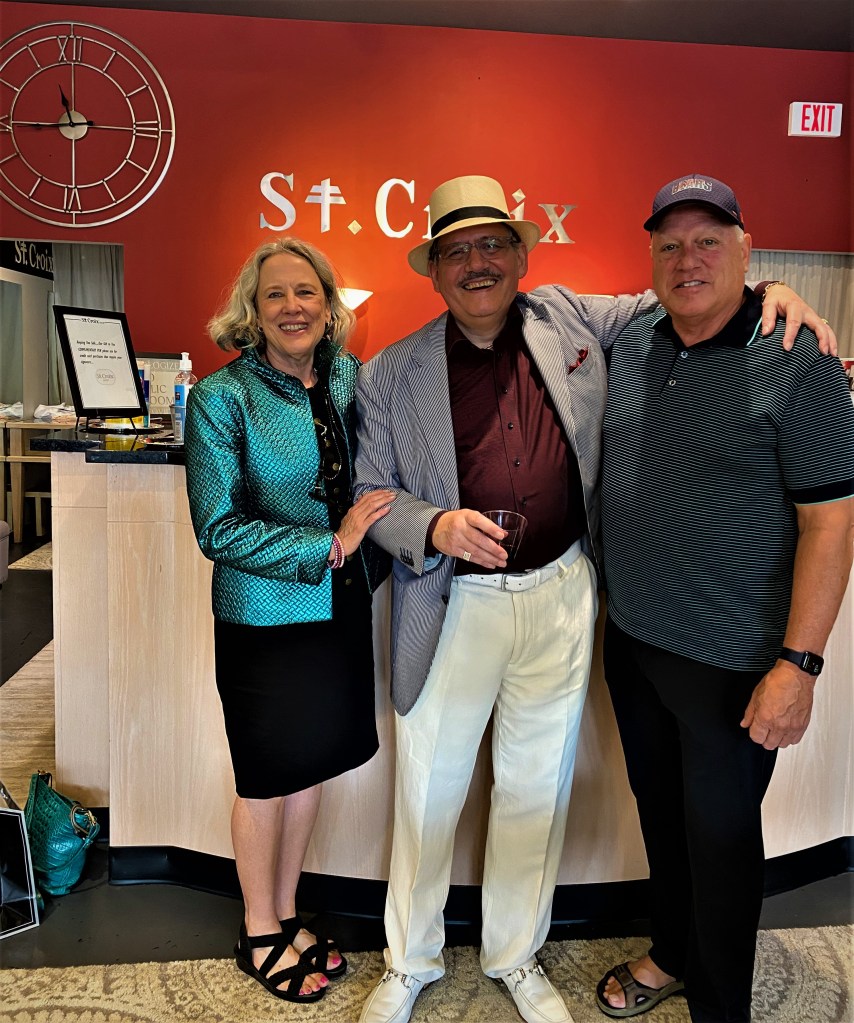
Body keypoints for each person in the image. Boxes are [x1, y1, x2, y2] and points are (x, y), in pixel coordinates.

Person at [352, 174, 833, 1023]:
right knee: (429, 788)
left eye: (493, 244)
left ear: (521, 256)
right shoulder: (391, 371)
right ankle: (409, 959)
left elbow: (691, 292)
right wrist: (432, 526)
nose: (477, 263)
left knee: (535, 786)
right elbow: (372, 494)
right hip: (453, 598)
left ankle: (515, 953)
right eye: (457, 250)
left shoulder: (574, 318)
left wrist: (773, 292)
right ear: (434, 268)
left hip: (562, 594)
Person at [596, 175, 854, 1022]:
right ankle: (673, 952)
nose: (688, 259)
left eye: (709, 240)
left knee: (722, 838)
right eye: (670, 244)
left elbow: (831, 523)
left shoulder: (800, 361)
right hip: (634, 640)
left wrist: (799, 666)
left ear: (747, 250)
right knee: (663, 818)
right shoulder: (635, 341)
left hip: (733, 660)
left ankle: (719, 1006)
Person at [184, 238, 393, 1004]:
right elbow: (218, 528)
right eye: (276, 294)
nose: (293, 306)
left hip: (339, 609)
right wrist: (330, 545)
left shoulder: (350, 377)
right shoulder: (221, 397)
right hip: (264, 619)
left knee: (310, 766)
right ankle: (258, 928)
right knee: (267, 777)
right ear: (253, 308)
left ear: (329, 305)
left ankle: (285, 909)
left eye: (307, 292)